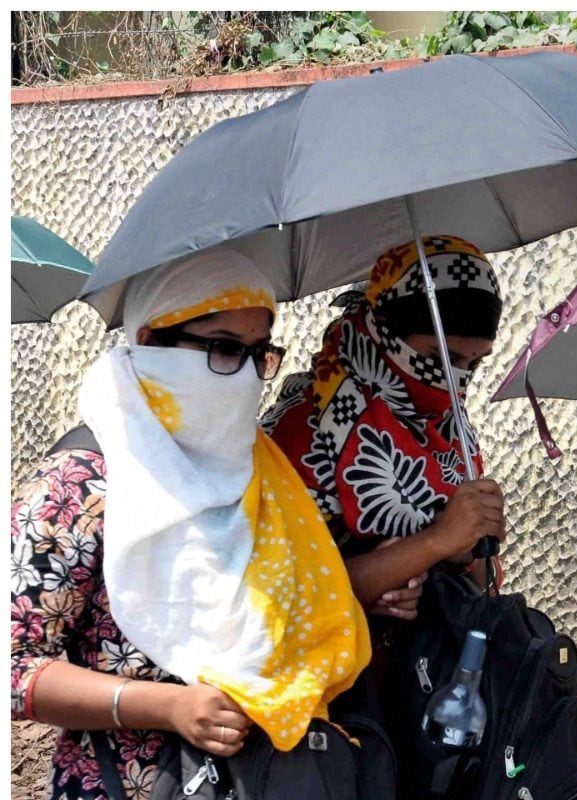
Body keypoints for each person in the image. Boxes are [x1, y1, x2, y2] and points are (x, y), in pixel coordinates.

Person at [10, 248, 373, 799]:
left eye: (259, 354)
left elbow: (302, 603)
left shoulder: (260, 472)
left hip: (264, 777)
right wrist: (169, 706)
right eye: (226, 349)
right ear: (153, 342)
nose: (247, 376)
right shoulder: (82, 483)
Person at [263, 234, 507, 616]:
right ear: (386, 332)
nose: (455, 379)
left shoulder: (448, 430)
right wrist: (435, 542)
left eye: (473, 365)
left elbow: (482, 587)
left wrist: (469, 554)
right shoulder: (299, 430)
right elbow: (278, 599)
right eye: (440, 356)